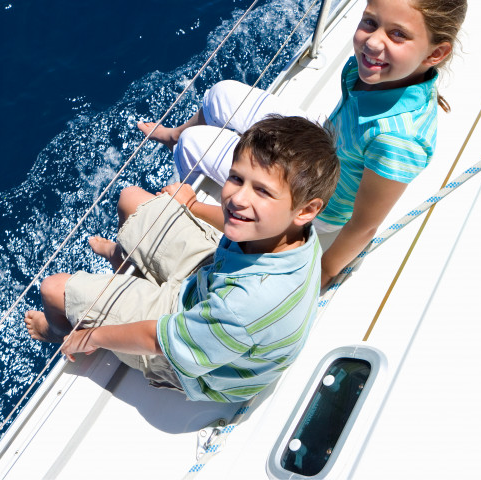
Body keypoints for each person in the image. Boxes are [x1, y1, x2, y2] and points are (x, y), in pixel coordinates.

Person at [137, 0, 467, 287]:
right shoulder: (380, 72)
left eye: (398, 35)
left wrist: (321, 275)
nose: (373, 42)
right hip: (324, 144)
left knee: (194, 144)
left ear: (434, 54)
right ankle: (172, 135)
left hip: (316, 197)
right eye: (370, 22)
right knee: (219, 95)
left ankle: (181, 212)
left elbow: (363, 226)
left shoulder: (397, 140)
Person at [25, 116, 340, 403]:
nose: (238, 199)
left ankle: (58, 332)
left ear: (306, 210)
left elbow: (157, 339)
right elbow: (236, 221)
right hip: (209, 285)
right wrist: (193, 205)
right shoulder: (295, 233)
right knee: (130, 199)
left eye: (262, 191)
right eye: (236, 178)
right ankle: (124, 266)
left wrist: (88, 337)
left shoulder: (246, 305)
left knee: (54, 289)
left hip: (193, 357)